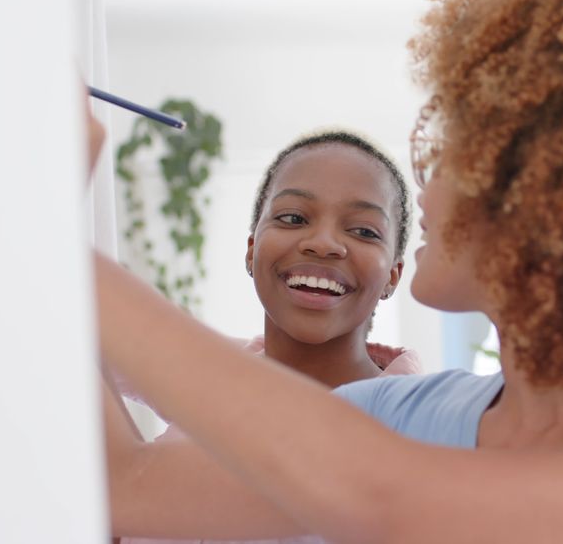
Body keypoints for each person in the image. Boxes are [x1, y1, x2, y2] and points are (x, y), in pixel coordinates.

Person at [94, 0, 563, 541]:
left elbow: (382, 501)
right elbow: (132, 481)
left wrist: (77, 269)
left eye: (456, 154)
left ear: (550, 201)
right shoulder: (403, 412)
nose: (428, 181)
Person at [108, 130, 421, 543]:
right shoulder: (212, 373)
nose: (323, 243)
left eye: (364, 231)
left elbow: (129, 489)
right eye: (293, 218)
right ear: (251, 249)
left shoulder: (417, 433)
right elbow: (74, 341)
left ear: (393, 275)